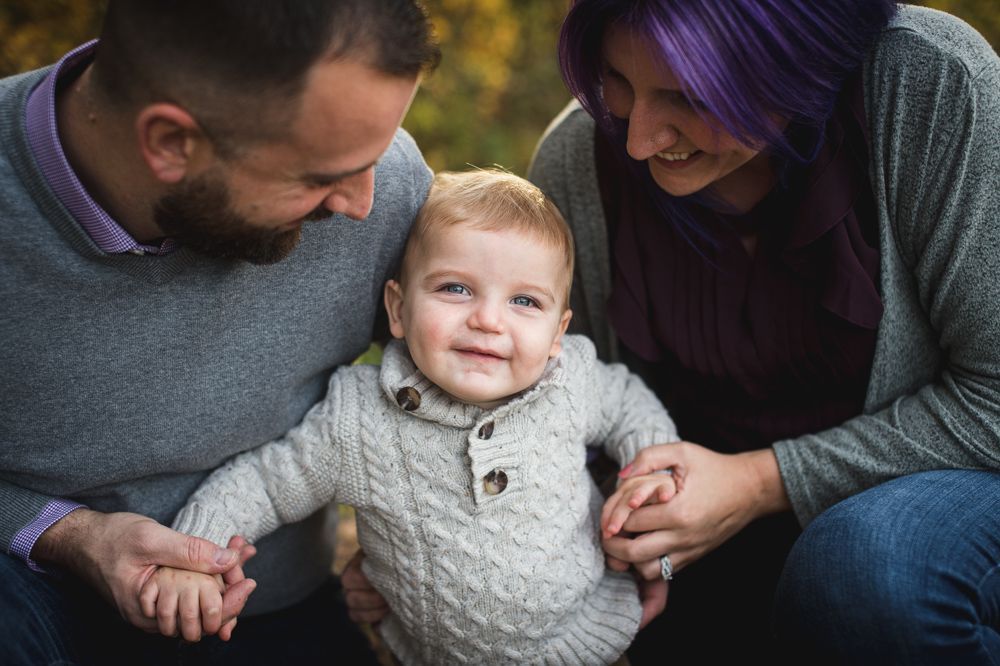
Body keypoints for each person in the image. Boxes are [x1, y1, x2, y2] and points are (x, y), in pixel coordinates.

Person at [527, 0, 1000, 663]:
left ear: (795, 62)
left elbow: (994, 402)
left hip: (937, 501)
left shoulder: (933, 85)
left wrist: (759, 483)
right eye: (618, 81)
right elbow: (551, 407)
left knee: (866, 569)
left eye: (688, 97)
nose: (638, 139)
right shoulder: (579, 161)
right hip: (709, 546)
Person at [0, 1, 439, 664]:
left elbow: (491, 381)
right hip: (28, 590)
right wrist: (71, 535)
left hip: (265, 610)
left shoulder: (381, 183)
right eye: (322, 177)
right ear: (172, 143)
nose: (362, 205)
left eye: (376, 155)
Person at [149, 169, 681, 665]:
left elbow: (630, 404)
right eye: (456, 288)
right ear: (398, 310)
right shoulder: (359, 420)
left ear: (558, 332)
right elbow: (264, 483)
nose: (489, 319)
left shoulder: (573, 382)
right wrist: (195, 555)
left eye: (524, 301)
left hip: (588, 638)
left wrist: (651, 473)